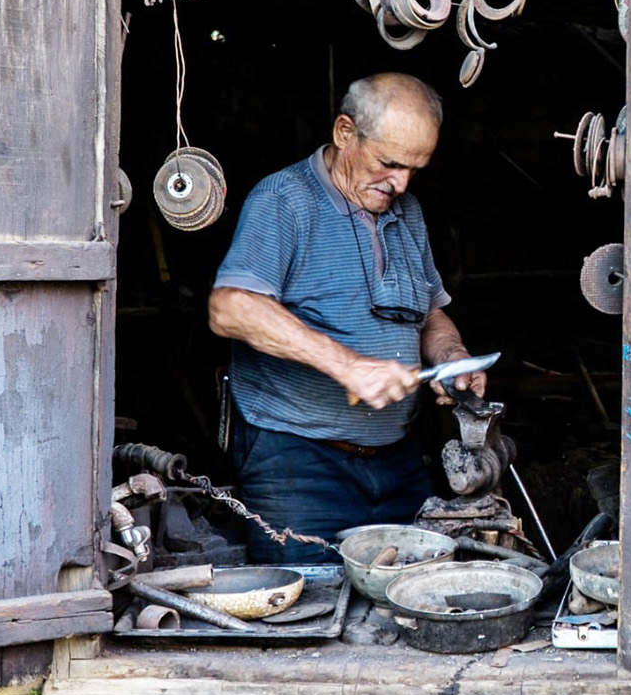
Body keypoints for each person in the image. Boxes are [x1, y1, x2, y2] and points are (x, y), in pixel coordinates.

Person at [208, 73, 485, 563]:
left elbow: (431, 312)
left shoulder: (407, 212)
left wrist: (452, 356)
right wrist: (349, 366)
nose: (400, 183)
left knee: (411, 598)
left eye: (414, 169)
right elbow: (230, 308)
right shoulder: (284, 201)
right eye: (389, 163)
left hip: (398, 462)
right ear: (344, 132)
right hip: (298, 465)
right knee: (305, 609)